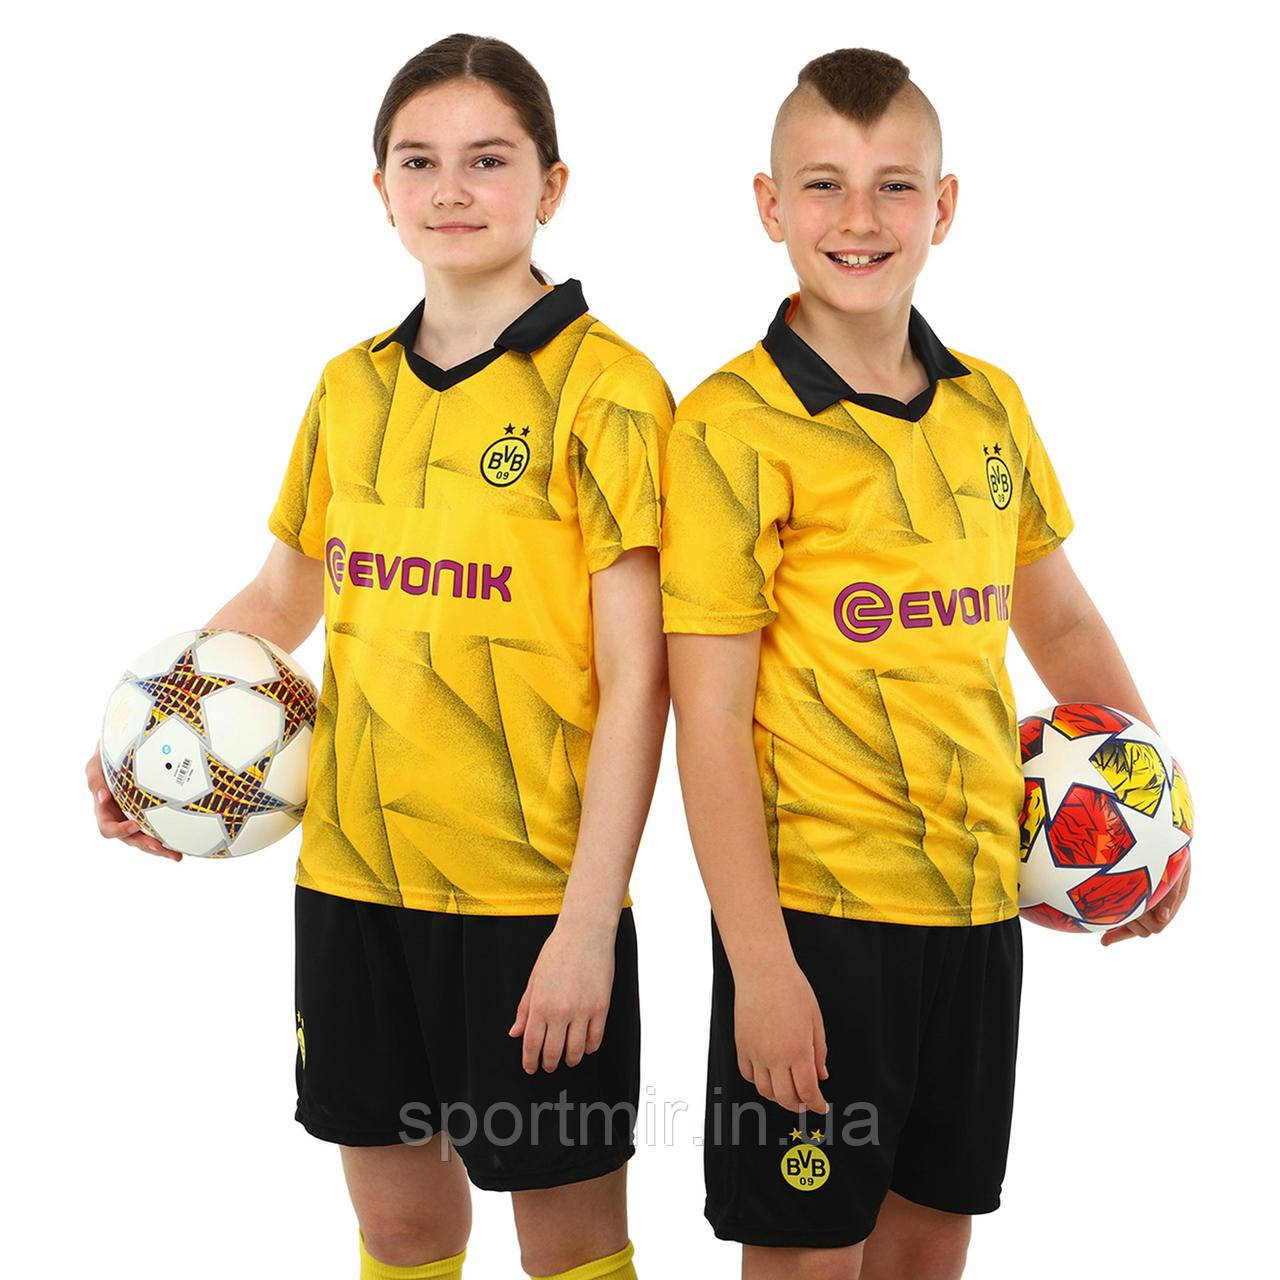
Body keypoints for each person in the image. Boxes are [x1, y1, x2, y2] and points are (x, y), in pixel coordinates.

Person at [86, 33, 671, 1280]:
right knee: (401, 1226)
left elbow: (642, 676)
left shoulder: (610, 392)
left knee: (567, 1238)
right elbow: (282, 592)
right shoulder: (349, 388)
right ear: (381, 189)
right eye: (419, 161)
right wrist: (150, 745)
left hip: (530, 898)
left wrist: (586, 922)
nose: (450, 188)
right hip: (353, 877)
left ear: (551, 185)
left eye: (487, 160)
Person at [660, 46, 1190, 1280]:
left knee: (926, 1242)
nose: (858, 218)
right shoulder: (729, 426)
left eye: (893, 185)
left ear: (942, 207)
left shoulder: (986, 405)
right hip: (816, 924)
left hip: (976, 904)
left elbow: (1059, 621)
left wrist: (1154, 807)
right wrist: (759, 963)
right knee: (807, 1255)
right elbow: (709, 716)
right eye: (823, 185)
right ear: (768, 205)